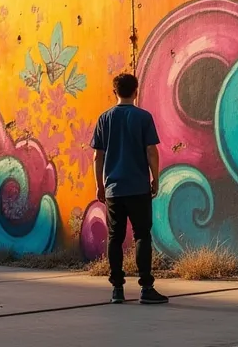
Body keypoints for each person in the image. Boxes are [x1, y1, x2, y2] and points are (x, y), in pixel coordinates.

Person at [91, 73, 169, 305]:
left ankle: (117, 289)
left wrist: (100, 186)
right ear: (136, 91)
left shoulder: (104, 119)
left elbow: (97, 156)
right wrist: (155, 178)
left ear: (114, 92)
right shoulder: (143, 117)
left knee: (115, 237)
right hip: (138, 187)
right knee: (142, 235)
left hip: (114, 190)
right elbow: (151, 151)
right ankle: (146, 288)